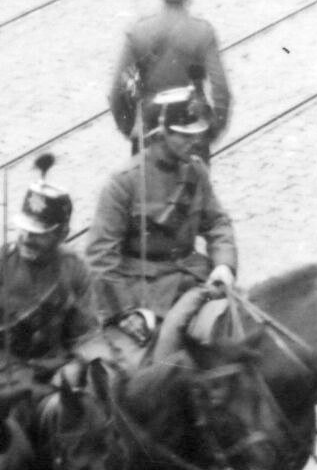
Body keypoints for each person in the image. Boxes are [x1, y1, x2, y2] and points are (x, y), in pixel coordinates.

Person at [0, 156, 105, 407]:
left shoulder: (74, 269)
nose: (27, 239)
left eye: (39, 233)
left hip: (53, 377)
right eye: (24, 229)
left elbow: (87, 336)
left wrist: (75, 367)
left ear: (62, 234)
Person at [85, 84, 238, 319]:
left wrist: (224, 265)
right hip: (145, 294)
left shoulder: (196, 172)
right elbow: (100, 257)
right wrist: (124, 314)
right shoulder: (124, 183)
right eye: (184, 135)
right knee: (161, 352)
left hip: (194, 277)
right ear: (160, 133)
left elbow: (217, 222)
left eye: (194, 134)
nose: (194, 141)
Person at [109, 0, 236, 150]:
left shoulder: (138, 32)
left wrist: (132, 133)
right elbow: (222, 92)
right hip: (191, 133)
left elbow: (117, 93)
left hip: (150, 134)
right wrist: (211, 132)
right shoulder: (202, 32)